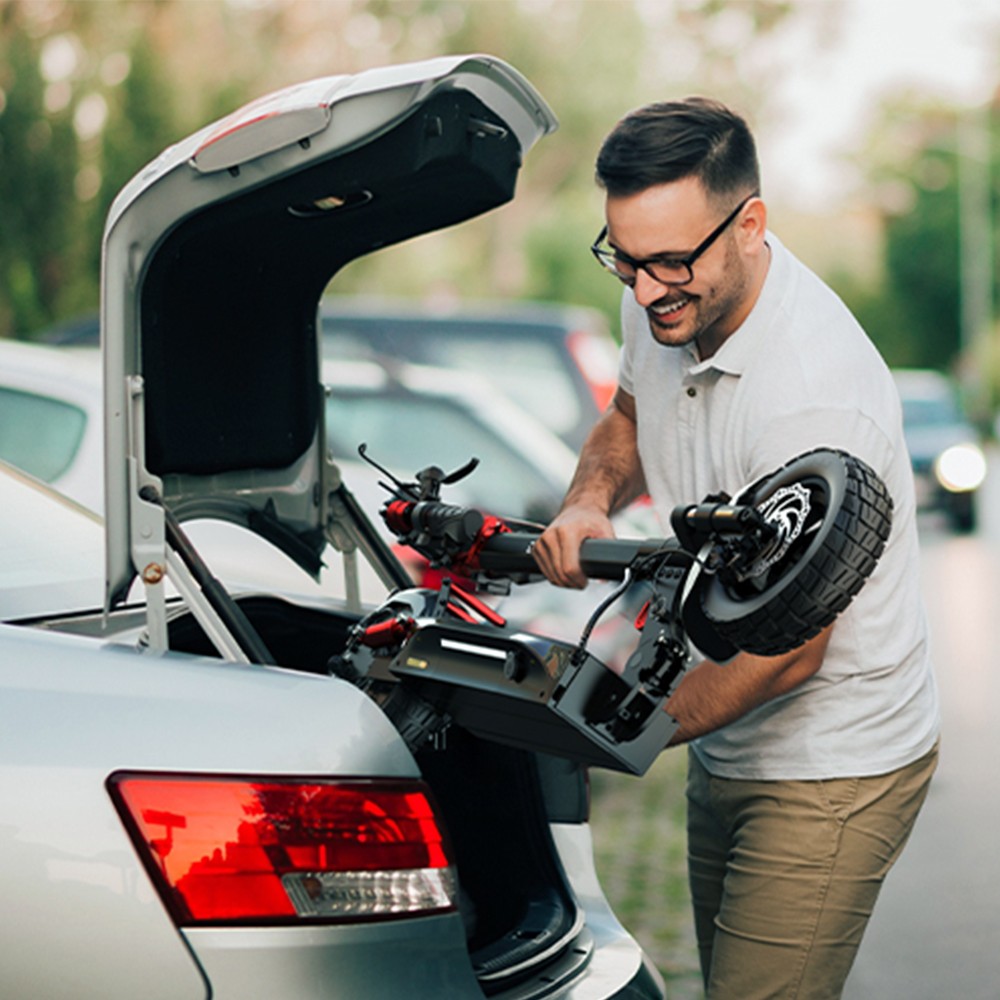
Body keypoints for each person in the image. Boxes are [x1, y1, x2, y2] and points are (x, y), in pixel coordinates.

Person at [532, 98, 940, 999]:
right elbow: (628, 414)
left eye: (670, 261)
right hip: (733, 741)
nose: (644, 291)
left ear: (750, 223)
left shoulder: (813, 397)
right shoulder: (663, 298)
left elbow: (790, 650)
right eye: (625, 261)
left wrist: (611, 734)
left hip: (834, 758)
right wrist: (589, 501)